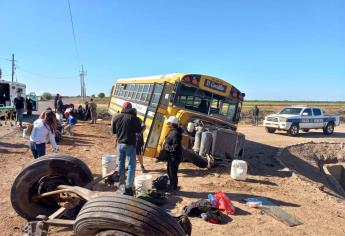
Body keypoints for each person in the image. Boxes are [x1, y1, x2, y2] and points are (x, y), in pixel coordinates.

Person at [111, 102, 142, 196]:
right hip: (130, 144)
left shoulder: (116, 117)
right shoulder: (135, 118)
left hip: (120, 143)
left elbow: (113, 131)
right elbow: (139, 131)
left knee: (120, 163)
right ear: (131, 108)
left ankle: (121, 184)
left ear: (123, 108)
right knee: (131, 165)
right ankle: (128, 187)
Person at [163, 116, 183, 192]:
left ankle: (174, 187)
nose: (168, 124)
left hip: (174, 156)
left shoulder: (175, 133)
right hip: (172, 156)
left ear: (172, 123)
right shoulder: (173, 131)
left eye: (169, 123)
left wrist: (167, 147)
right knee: (169, 171)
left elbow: (175, 146)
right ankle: (172, 186)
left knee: (172, 172)